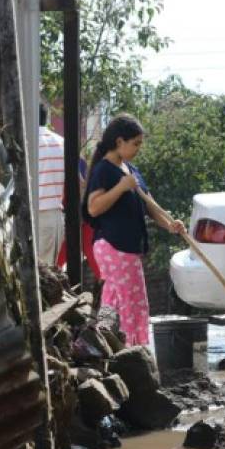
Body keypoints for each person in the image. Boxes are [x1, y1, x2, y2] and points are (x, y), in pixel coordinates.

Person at [83, 114, 185, 345]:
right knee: (134, 302)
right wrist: (120, 187)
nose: (139, 148)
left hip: (126, 247)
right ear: (119, 142)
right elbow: (93, 208)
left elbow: (150, 206)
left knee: (113, 300)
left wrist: (170, 225)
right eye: (135, 143)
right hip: (113, 245)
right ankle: (135, 350)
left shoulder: (131, 170)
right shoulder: (104, 170)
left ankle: (98, 342)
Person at [56, 157, 101, 279]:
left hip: (83, 222)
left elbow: (85, 188)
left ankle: (114, 293)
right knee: (55, 264)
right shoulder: (70, 161)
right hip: (68, 222)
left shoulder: (80, 162)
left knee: (98, 264)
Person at [37, 103, 65, 264]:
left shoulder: (24, 142)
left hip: (31, 214)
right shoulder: (61, 143)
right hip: (53, 216)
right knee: (46, 273)